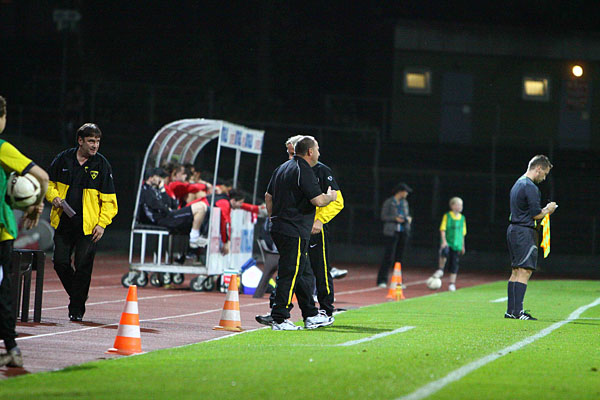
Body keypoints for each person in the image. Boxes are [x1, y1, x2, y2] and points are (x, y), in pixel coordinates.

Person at [47, 123, 118, 322]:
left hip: (89, 227)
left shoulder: (102, 165)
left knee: (83, 267)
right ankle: (78, 295)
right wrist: (53, 197)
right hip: (63, 222)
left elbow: (110, 200)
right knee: (60, 263)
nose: (95, 145)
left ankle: (76, 309)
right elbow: (48, 184)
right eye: (91, 141)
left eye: (98, 141)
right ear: (80, 141)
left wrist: (102, 224)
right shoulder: (63, 159)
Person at [264, 136, 337, 330]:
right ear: (310, 152)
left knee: (302, 273)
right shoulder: (303, 169)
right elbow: (318, 200)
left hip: (281, 227)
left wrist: (273, 218)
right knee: (289, 274)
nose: (319, 153)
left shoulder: (282, 168)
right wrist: (330, 197)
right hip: (294, 229)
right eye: (317, 149)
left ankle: (310, 314)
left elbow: (268, 196)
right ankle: (279, 317)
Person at [0, 95, 49, 368]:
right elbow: (42, 176)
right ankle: (12, 347)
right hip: (2, 232)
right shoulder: (2, 148)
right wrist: (36, 206)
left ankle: (11, 347)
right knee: (4, 289)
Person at [505, 155, 557, 320]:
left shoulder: (518, 183)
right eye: (545, 173)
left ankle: (511, 311)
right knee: (525, 270)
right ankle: (518, 312)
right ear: (538, 168)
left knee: (516, 270)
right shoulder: (530, 187)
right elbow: (536, 215)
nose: (544, 178)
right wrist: (548, 209)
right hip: (524, 232)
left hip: (513, 230)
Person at [138, 168, 208, 249]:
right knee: (200, 207)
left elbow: (171, 203)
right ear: (151, 178)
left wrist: (162, 189)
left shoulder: (157, 189)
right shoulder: (146, 191)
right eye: (159, 177)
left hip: (168, 215)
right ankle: (194, 238)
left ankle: (195, 239)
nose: (161, 180)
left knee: (202, 207)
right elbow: (157, 205)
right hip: (162, 219)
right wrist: (168, 210)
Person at [377, 182, 412, 287]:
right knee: (388, 257)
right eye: (405, 192)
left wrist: (407, 219)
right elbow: (383, 216)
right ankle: (382, 280)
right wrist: (395, 219)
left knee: (399, 258)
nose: (407, 194)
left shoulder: (405, 203)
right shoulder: (389, 202)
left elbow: (406, 215)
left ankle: (398, 281)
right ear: (400, 192)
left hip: (403, 232)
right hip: (391, 232)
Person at [432, 197, 466, 291]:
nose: (460, 207)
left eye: (461, 205)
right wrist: (444, 241)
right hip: (448, 242)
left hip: (457, 244)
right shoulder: (447, 216)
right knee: (444, 252)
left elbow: (463, 233)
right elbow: (443, 229)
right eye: (457, 205)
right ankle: (441, 269)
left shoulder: (462, 218)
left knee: (454, 263)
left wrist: (462, 245)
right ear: (452, 206)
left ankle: (452, 283)